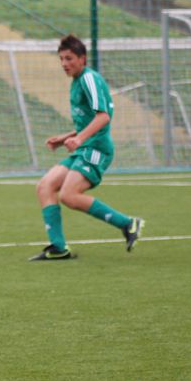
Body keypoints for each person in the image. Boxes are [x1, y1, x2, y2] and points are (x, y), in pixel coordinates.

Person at [31, 35, 144, 261]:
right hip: (85, 147)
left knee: (69, 195)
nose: (64, 63)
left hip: (96, 149)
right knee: (45, 186)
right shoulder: (77, 81)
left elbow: (104, 116)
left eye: (69, 58)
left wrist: (80, 139)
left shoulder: (89, 79)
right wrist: (66, 137)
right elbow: (88, 121)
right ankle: (58, 247)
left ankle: (128, 224)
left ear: (82, 59)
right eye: (61, 59)